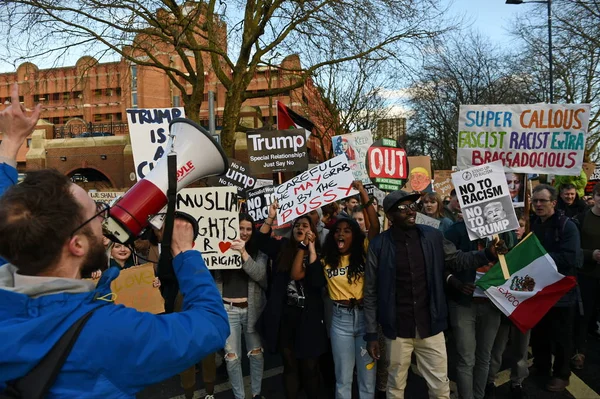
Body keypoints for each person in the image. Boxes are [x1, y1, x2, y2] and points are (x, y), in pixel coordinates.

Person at [0, 84, 230, 397]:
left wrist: (11, 142)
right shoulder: (109, 332)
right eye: (96, 213)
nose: (105, 217)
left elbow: (7, 209)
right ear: (76, 246)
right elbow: (212, 325)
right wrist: (185, 252)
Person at [364, 190, 504, 399]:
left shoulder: (433, 236)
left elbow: (458, 259)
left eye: (413, 205)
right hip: (397, 329)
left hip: (430, 326)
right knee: (395, 388)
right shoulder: (379, 245)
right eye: (403, 208)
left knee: (440, 388)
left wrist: (487, 254)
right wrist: (372, 334)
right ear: (390, 216)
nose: (411, 210)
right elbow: (371, 292)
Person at [297, 182, 380, 399]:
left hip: (365, 319)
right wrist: (310, 245)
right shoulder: (327, 260)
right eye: (337, 231)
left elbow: (374, 228)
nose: (341, 235)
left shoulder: (364, 252)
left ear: (355, 235)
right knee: (343, 379)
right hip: (340, 321)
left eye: (347, 231)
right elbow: (306, 276)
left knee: (367, 379)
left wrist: (362, 193)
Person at [256, 206, 328, 399]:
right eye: (297, 225)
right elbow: (260, 241)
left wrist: (309, 249)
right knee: (290, 367)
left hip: (310, 320)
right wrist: (270, 217)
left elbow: (317, 282)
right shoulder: (282, 248)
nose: (300, 228)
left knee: (311, 368)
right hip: (285, 319)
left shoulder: (318, 253)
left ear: (312, 231)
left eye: (305, 225)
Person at [444, 221, 516, 399]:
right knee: (466, 358)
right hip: (463, 304)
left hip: (492, 303)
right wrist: (456, 283)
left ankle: (479, 395)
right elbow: (443, 264)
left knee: (484, 356)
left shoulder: (505, 232)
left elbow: (513, 263)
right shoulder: (456, 230)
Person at [529, 184, 582, 392]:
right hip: (539, 289)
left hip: (561, 291)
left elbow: (570, 257)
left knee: (561, 335)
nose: (538, 204)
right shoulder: (533, 223)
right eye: (535, 201)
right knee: (540, 332)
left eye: (543, 201)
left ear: (553, 202)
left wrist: (538, 260)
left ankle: (562, 374)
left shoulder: (567, 226)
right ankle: (541, 365)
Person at [216, 213, 267, 399]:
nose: (244, 232)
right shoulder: (219, 249)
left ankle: (256, 394)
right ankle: (239, 396)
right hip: (227, 310)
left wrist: (243, 252)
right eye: (240, 228)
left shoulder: (258, 251)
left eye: (248, 229)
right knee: (232, 357)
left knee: (256, 355)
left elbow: (260, 275)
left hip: (252, 309)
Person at [572, 183, 600, 370]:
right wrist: (592, 254)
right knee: (583, 316)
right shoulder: (582, 219)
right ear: (595, 196)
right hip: (587, 276)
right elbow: (573, 250)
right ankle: (578, 352)